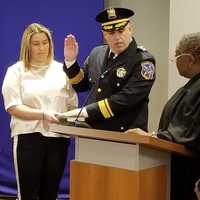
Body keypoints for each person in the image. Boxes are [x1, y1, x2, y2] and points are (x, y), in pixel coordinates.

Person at [1, 23, 78, 200]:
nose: (42, 48)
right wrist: (42, 114)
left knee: (50, 193)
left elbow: (72, 106)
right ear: (27, 46)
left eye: (45, 42)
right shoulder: (16, 71)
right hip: (28, 137)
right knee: (28, 193)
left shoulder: (61, 70)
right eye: (36, 44)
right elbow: (12, 106)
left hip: (58, 139)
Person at [62, 7, 156, 132]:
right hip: (94, 131)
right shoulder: (97, 53)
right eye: (111, 33)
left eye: (121, 31)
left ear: (130, 30)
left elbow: (126, 99)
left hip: (125, 134)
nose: (117, 37)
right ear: (104, 35)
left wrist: (86, 112)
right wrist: (71, 61)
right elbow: (81, 86)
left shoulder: (143, 60)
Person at [157, 32, 200, 200]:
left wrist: (153, 137)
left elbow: (188, 134)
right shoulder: (192, 86)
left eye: (177, 57)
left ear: (190, 59)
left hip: (190, 176)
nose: (175, 62)